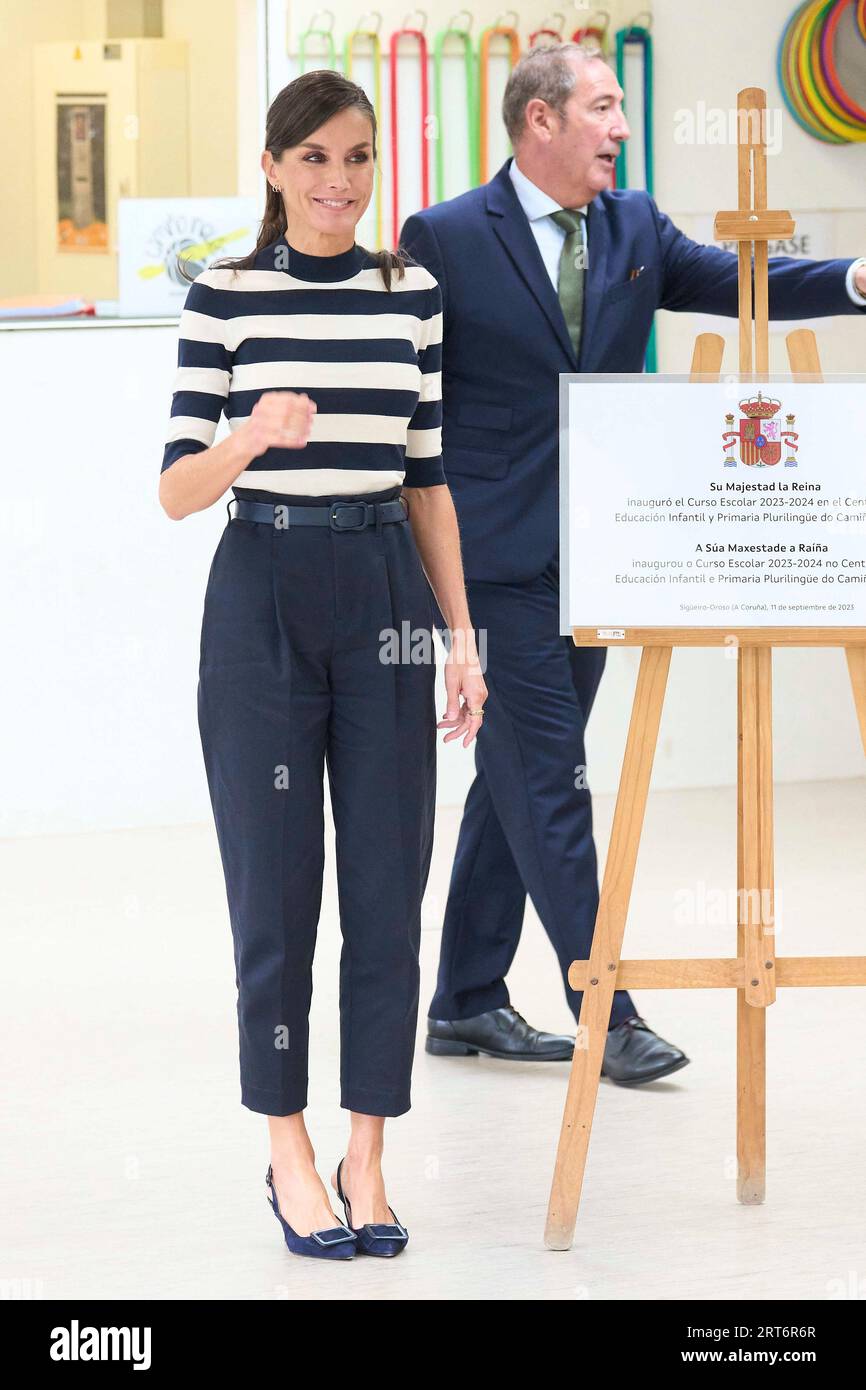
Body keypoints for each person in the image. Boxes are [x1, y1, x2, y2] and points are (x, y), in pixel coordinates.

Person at [399, 42, 866, 1082]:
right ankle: (603, 1004)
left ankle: (466, 998)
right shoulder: (444, 235)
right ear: (538, 123)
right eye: (602, 108)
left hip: (601, 554)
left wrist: (849, 278)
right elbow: (411, 398)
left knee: (515, 773)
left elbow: (737, 278)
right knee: (552, 779)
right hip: (493, 561)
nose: (619, 127)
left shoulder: (634, 227)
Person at [159, 69, 486, 1260]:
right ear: (271, 167)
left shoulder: (414, 294)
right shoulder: (224, 294)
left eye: (355, 158)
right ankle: (287, 1147)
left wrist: (461, 637)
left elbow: (429, 478)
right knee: (276, 892)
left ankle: (368, 1151)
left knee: (390, 887)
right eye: (313, 159)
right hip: (261, 604)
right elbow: (174, 491)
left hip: (387, 590)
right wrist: (250, 431)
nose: (337, 181)